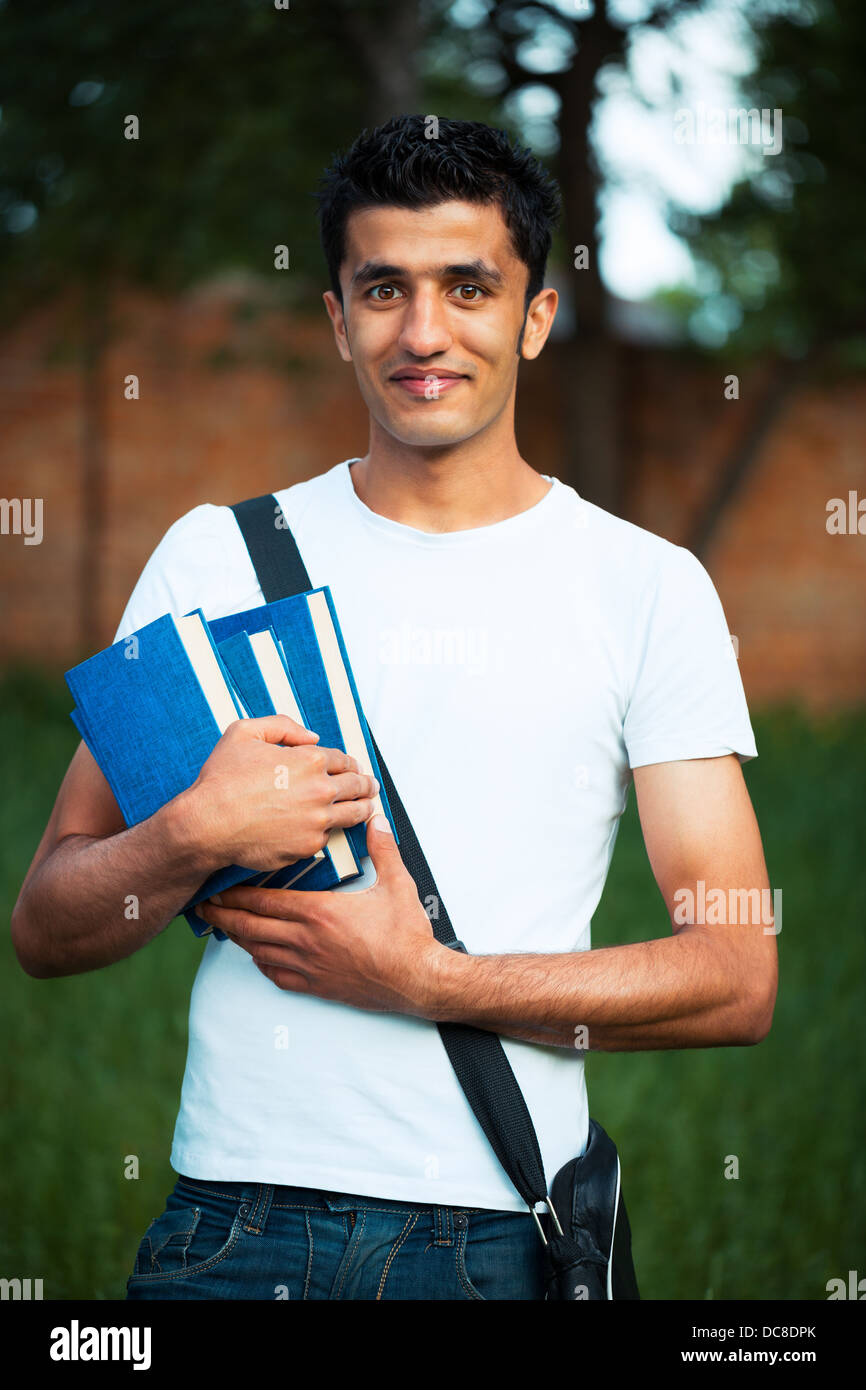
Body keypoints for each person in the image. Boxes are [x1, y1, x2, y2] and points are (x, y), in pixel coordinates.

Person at [11, 114, 777, 1301]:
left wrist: (426, 981)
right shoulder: (214, 558)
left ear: (533, 316)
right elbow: (47, 926)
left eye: (468, 287)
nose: (423, 334)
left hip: (494, 1239)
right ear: (335, 318)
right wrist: (190, 834)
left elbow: (735, 974)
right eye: (383, 289)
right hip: (230, 1227)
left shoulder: (645, 586)